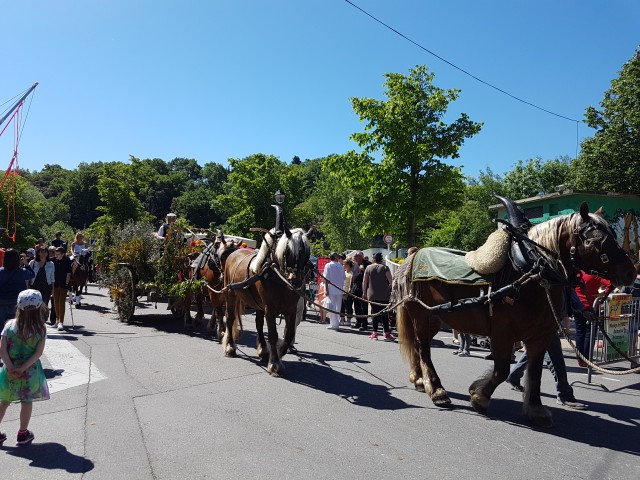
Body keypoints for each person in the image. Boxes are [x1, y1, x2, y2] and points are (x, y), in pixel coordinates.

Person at [0, 289, 50, 446]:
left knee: (4, 400)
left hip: (9, 371)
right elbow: (38, 353)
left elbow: (2, 349)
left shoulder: (9, 325)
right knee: (27, 401)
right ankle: (22, 433)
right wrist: (22, 368)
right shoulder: (40, 329)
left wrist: (10, 366)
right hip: (30, 373)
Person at [574, 272, 611, 366]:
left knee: (580, 332)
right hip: (591, 306)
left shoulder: (577, 273)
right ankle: (586, 359)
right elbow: (610, 284)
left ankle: (580, 359)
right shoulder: (596, 275)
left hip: (577, 305)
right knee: (589, 333)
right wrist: (602, 297)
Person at [362, 252, 394, 341]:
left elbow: (364, 281)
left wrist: (364, 293)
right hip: (384, 294)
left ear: (374, 259)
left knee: (374, 313)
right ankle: (386, 334)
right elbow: (391, 280)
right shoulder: (385, 268)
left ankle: (374, 333)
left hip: (372, 294)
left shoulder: (368, 268)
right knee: (384, 314)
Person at [0, 249, 35, 326]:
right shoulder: (22, 272)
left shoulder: (1, 272)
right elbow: (32, 275)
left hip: (2, 302)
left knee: (1, 327)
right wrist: (26, 263)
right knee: (16, 327)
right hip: (17, 303)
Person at [323, 252, 346, 331]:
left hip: (331, 288)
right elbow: (344, 278)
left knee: (331, 306)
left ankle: (334, 324)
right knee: (337, 307)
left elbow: (326, 278)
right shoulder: (341, 266)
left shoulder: (328, 265)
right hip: (339, 288)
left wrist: (326, 289)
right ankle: (335, 323)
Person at [28, 248, 55, 314]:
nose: (43, 254)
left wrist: (53, 289)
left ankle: (42, 321)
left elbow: (52, 277)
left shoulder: (51, 264)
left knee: (44, 305)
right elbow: (28, 275)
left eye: (45, 252)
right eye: (41, 252)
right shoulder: (32, 262)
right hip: (34, 286)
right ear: (38, 253)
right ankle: (35, 321)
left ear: (47, 253)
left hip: (46, 287)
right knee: (34, 305)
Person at [51, 247, 72, 331]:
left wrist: (67, 284)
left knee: (61, 302)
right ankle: (57, 320)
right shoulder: (52, 260)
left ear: (62, 254)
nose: (56, 256)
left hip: (63, 283)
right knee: (55, 302)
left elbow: (68, 273)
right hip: (55, 283)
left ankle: (61, 322)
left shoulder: (67, 260)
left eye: (58, 254)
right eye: (55, 254)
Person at [351, 251, 370, 331]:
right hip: (355, 286)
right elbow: (353, 274)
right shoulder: (355, 264)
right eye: (354, 256)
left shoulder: (367, 263)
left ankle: (364, 324)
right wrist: (351, 286)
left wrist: (364, 269)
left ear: (361, 256)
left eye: (356, 256)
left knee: (363, 307)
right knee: (356, 306)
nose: (354, 258)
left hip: (363, 287)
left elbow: (370, 274)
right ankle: (358, 322)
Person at [340, 259, 354, 327]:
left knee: (348, 306)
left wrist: (350, 289)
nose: (343, 265)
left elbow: (351, 282)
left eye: (344, 264)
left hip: (348, 292)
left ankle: (348, 320)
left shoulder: (351, 273)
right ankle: (342, 319)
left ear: (348, 265)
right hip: (342, 290)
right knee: (342, 305)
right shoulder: (344, 272)